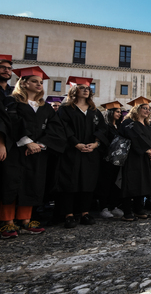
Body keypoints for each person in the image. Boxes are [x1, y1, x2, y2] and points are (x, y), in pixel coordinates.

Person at [0, 66, 65, 238]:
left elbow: (55, 129)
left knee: (32, 184)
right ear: (24, 83)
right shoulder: (12, 101)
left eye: (41, 82)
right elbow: (11, 122)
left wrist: (41, 144)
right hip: (16, 150)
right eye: (34, 81)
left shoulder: (45, 107)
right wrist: (27, 142)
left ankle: (26, 220)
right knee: (11, 184)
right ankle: (8, 223)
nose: (39, 85)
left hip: (37, 152)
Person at [55, 77, 108, 229]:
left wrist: (96, 143)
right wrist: (75, 143)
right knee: (69, 182)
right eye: (82, 88)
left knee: (88, 182)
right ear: (74, 90)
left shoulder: (94, 111)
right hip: (71, 151)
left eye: (88, 88)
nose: (86, 90)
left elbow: (102, 129)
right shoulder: (65, 109)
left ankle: (85, 212)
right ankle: (69, 214)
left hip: (90, 152)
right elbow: (63, 128)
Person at [119, 99, 151, 220]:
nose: (148, 111)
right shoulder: (128, 123)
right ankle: (127, 212)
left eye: (149, 109)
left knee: (143, 183)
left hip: (145, 159)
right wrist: (148, 150)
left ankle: (138, 209)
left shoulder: (147, 126)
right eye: (144, 108)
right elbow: (135, 138)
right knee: (130, 183)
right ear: (137, 109)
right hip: (132, 158)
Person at [97, 101, 126, 218]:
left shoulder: (119, 126)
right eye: (117, 112)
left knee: (116, 183)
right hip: (107, 160)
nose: (119, 114)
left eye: (120, 112)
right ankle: (104, 207)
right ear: (110, 113)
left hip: (117, 160)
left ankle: (113, 206)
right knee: (105, 183)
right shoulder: (104, 126)